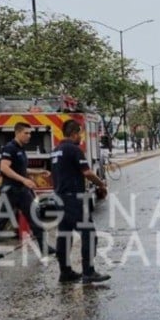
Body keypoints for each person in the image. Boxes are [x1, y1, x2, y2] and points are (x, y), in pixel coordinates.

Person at [51, 120, 110, 285]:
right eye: (80, 134)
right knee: (88, 233)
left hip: (59, 197)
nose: (81, 138)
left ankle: (65, 272)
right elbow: (88, 172)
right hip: (72, 199)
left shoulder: (55, 151)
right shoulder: (74, 149)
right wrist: (101, 184)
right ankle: (88, 272)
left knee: (64, 235)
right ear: (74, 133)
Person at [0, 123, 52, 259]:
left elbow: (21, 169)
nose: (29, 136)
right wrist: (24, 180)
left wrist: (38, 171)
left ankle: (44, 247)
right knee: (2, 220)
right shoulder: (10, 148)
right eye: (26, 133)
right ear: (17, 133)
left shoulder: (20, 149)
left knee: (34, 217)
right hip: (11, 191)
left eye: (30, 133)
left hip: (21, 191)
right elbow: (4, 168)